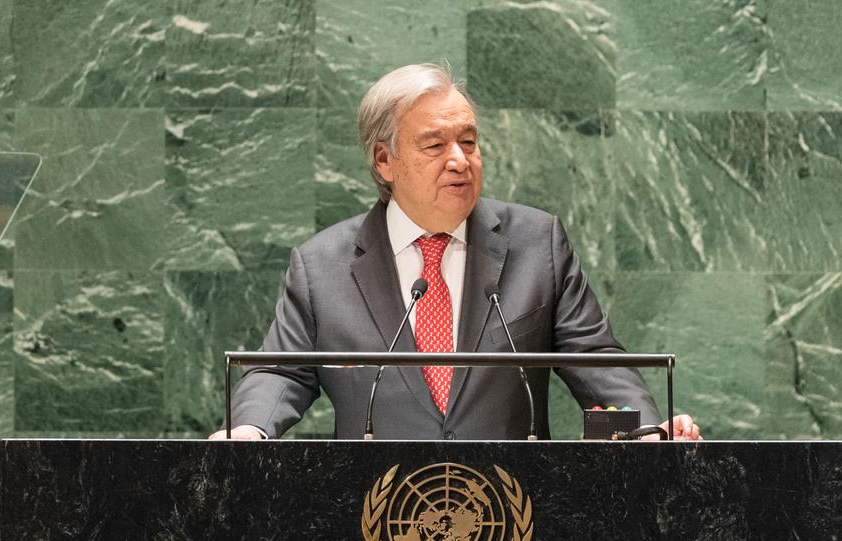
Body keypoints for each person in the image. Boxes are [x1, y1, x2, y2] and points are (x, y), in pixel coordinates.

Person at [209, 63, 702, 441]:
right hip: (376, 517)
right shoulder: (321, 267)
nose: (460, 160)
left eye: (469, 141)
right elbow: (280, 369)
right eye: (435, 145)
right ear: (385, 159)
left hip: (512, 518)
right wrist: (250, 429)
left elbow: (596, 362)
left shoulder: (537, 243)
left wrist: (643, 434)